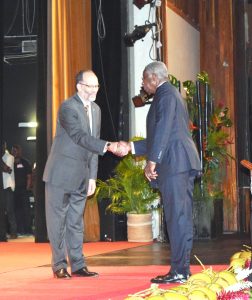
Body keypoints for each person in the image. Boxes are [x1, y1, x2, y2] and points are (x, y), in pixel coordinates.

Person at [119, 61, 201, 284]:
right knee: (178, 218)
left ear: (154, 79)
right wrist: (131, 147)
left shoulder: (165, 95)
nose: (143, 85)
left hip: (175, 164)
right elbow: (162, 135)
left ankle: (180, 271)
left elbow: (164, 129)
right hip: (178, 162)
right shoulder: (169, 94)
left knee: (177, 218)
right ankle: (181, 269)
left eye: (144, 81)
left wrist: (152, 161)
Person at [43, 70, 119, 279]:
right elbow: (80, 137)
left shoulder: (96, 109)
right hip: (60, 175)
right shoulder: (68, 107)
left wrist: (92, 176)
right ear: (79, 86)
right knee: (57, 223)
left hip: (82, 177)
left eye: (96, 87)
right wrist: (110, 146)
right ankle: (59, 265)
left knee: (76, 222)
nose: (94, 90)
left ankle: (78, 265)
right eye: (89, 86)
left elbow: (93, 146)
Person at [11, 144, 33, 235]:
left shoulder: (25, 162)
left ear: (20, 151)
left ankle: (28, 230)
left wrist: (27, 187)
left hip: (24, 190)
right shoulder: (10, 162)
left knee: (26, 210)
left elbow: (29, 176)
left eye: (16, 151)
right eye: (13, 151)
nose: (14, 152)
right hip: (14, 190)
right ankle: (19, 230)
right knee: (16, 210)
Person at [2, 141, 17, 239]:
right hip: (2, 187)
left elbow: (7, 169)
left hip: (7, 186)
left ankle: (13, 232)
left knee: (9, 210)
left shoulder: (10, 157)